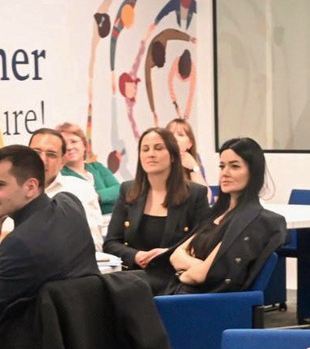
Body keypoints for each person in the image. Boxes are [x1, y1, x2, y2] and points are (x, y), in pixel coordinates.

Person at [0, 144, 99, 322]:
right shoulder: (70, 203)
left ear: (31, 187)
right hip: (89, 324)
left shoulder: (18, 243)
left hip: (42, 334)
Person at [168, 138, 287, 294]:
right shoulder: (215, 213)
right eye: (222, 166)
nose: (225, 173)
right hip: (179, 290)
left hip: (199, 299)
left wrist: (184, 272)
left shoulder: (249, 221)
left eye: (234, 166)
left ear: (253, 172)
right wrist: (197, 268)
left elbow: (200, 275)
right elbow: (175, 255)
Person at [103, 126, 209, 293]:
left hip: (176, 279)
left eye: (158, 148)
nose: (151, 154)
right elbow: (111, 243)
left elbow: (203, 243)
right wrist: (136, 256)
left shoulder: (196, 194)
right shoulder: (127, 190)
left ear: (173, 156)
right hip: (134, 279)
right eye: (145, 149)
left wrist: (168, 253)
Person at [29, 127, 104, 243]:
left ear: (62, 161)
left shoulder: (81, 189)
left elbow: (93, 243)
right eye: (36, 152)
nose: (42, 160)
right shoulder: (11, 189)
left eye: (51, 154)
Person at [58, 120, 122, 214]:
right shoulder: (60, 175)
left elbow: (119, 190)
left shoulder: (97, 167)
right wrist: (108, 196)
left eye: (73, 141)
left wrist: (97, 196)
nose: (69, 147)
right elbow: (79, 203)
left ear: (84, 145)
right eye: (64, 145)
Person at [167, 117, 215, 186]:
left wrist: (193, 167)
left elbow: (205, 192)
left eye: (180, 135)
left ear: (190, 143)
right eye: (170, 134)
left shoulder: (194, 159)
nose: (174, 138)